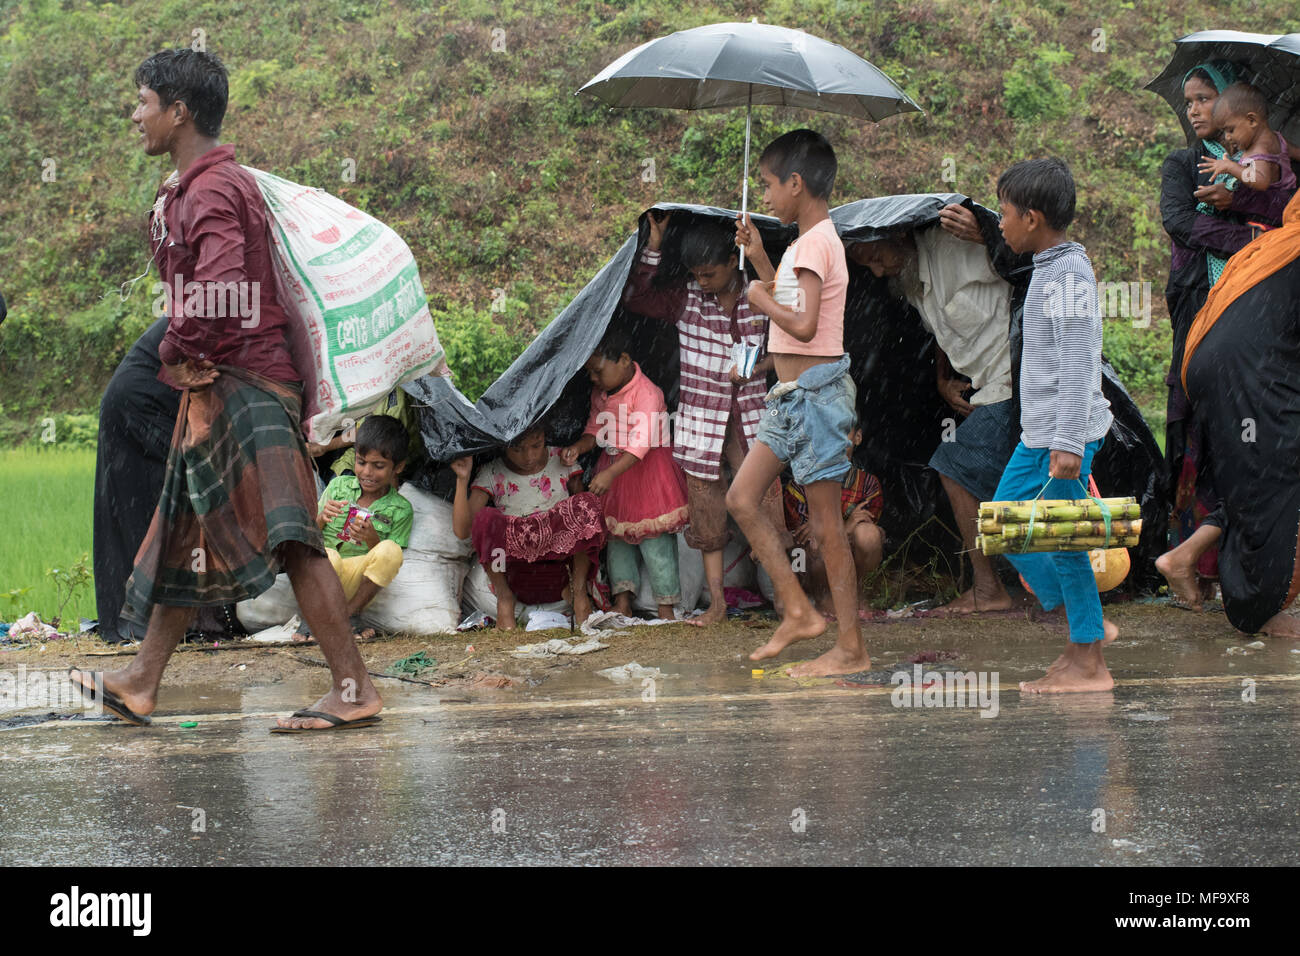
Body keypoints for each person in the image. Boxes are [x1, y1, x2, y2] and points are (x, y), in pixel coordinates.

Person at [69, 48, 380, 732]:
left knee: (295, 538)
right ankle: (143, 681)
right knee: (184, 535)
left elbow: (218, 286)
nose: (135, 116)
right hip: (225, 378)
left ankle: (354, 689)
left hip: (245, 380)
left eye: (142, 102)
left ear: (178, 112)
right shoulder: (200, 185)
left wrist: (180, 353)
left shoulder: (211, 189)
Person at [725, 128, 867, 678]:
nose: (763, 196)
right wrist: (761, 261)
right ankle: (800, 610)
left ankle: (851, 648)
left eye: (768, 185)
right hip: (790, 399)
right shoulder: (805, 242)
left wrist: (758, 296)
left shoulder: (813, 244)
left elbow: (803, 326)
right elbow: (795, 305)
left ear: (796, 183)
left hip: (816, 399)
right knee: (741, 498)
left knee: (828, 527)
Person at [1160, 62, 1295, 600]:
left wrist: (1240, 201)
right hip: (1200, 302)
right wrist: (1254, 247)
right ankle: (1200, 561)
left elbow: (1282, 210)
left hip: (1261, 305)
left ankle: (1222, 566)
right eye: (1190, 101)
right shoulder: (1184, 163)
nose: (1197, 110)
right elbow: (1181, 222)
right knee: (1204, 428)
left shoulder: (1261, 158)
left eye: (1206, 98)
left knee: (1246, 432)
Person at [845, 203, 1018, 615]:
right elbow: (940, 329)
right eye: (865, 265)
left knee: (952, 465)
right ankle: (1017, 581)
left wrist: (990, 237)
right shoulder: (910, 280)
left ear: (900, 237)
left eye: (876, 257)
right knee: (994, 475)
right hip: (985, 388)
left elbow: (1023, 267)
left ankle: (991, 588)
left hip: (1018, 380)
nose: (877, 271)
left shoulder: (957, 247)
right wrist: (942, 379)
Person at [622, 211, 788, 625]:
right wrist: (654, 247)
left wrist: (759, 367)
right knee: (707, 512)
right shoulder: (686, 298)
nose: (703, 282)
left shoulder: (762, 296)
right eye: (696, 274)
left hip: (753, 419)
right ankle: (717, 604)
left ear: (735, 261)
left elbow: (793, 341)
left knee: (767, 506)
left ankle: (786, 599)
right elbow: (637, 295)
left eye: (711, 273)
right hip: (701, 423)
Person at [992, 158, 1115, 693]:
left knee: (1052, 539)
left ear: (1033, 218)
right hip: (1041, 435)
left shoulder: (1069, 273)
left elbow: (1080, 361)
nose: (999, 224)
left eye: (1003, 214)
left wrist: (1068, 444)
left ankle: (1088, 657)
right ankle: (1083, 637)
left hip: (1062, 438)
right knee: (1009, 528)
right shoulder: (1049, 264)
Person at [1175, 190, 1300, 636]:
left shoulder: (1279, 243)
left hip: (1212, 364)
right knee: (1278, 480)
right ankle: (1260, 609)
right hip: (1249, 372)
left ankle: (1187, 554)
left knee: (1258, 476)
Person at [560, 328, 688, 620]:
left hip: (648, 472)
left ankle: (666, 607)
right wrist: (578, 447)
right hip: (615, 469)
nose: (593, 379)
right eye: (590, 373)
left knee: (655, 541)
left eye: (597, 371)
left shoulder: (648, 393)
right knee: (617, 539)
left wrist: (609, 475)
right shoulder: (602, 393)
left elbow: (640, 444)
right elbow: (595, 429)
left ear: (625, 360)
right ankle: (622, 600)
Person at [451, 424, 606, 629]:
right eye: (517, 449)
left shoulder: (562, 459)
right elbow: (463, 531)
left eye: (536, 446)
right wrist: (462, 480)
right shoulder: (492, 471)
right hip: (514, 572)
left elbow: (583, 526)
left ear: (545, 438)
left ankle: (579, 595)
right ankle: (504, 599)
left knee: (586, 504)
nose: (528, 456)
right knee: (485, 518)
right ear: (503, 445)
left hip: (559, 570)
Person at [292, 416, 413, 643]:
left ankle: (351, 613)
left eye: (378, 466)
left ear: (398, 467)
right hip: (322, 574)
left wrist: (372, 538)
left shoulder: (401, 509)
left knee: (391, 551)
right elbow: (308, 538)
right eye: (361, 462)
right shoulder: (338, 486)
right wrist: (321, 518)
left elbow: (386, 562)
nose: (367, 472)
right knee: (330, 557)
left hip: (355, 580)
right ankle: (313, 617)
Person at [783, 418, 884, 615]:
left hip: (844, 557)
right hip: (809, 567)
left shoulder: (868, 484)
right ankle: (821, 598)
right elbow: (805, 539)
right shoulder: (799, 485)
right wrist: (845, 527)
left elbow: (864, 528)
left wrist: (826, 527)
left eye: (843, 433)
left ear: (857, 438)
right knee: (812, 545)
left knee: (869, 535)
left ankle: (856, 594)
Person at [1197, 83, 1296, 201]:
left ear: (1252, 120)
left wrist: (1231, 167)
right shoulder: (1277, 138)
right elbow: (1297, 153)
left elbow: (1260, 181)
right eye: (1223, 132)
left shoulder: (1257, 152)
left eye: (1230, 130)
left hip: (1270, 209)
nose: (1227, 137)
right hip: (1290, 198)